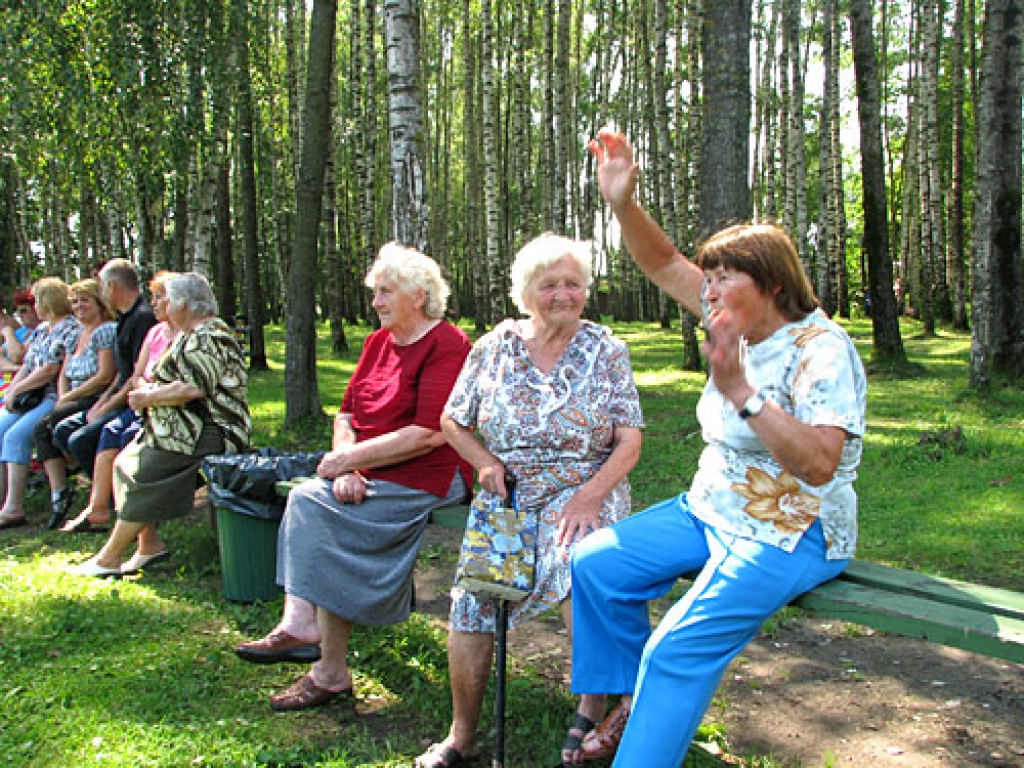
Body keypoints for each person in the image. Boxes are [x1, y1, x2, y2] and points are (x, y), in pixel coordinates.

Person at [564, 129, 868, 768]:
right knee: (597, 564)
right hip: (711, 507)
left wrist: (742, 393)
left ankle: (640, 741)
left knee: (673, 651)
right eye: (712, 275)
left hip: (792, 527)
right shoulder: (732, 317)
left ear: (771, 285)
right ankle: (626, 707)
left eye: (725, 276)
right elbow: (662, 262)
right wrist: (622, 203)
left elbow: (820, 464)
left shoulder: (823, 350)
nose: (708, 288)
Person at [414, 233, 644, 768]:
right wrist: (485, 462)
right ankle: (460, 736)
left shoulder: (607, 350)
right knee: (475, 600)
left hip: (583, 487)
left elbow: (629, 440)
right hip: (509, 493)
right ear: (525, 293)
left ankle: (596, 701)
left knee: (574, 564)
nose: (564, 294)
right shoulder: (494, 347)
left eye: (574, 284)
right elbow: (453, 419)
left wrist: (589, 497)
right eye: (550, 285)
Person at [234, 243, 473, 714]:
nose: (376, 302)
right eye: (376, 292)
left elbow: (429, 434)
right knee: (318, 505)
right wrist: (349, 461)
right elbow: (346, 413)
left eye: (386, 292)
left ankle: (311, 642)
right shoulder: (377, 343)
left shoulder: (448, 343)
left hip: (431, 473)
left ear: (419, 295)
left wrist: (351, 464)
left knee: (313, 504)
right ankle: (325, 662)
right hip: (370, 469)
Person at [68, 272, 250, 576]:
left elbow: (193, 388)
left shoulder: (210, 335)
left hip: (209, 429)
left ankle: (110, 558)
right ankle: (148, 545)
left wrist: (147, 398)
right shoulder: (190, 334)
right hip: (179, 426)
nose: (161, 303)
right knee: (122, 462)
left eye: (166, 297)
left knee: (144, 472)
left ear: (184, 303)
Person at [61, 271, 179, 534]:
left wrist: (136, 397)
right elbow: (132, 375)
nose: (155, 303)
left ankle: (135, 520)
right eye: (154, 296)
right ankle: (100, 506)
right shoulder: (154, 331)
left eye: (160, 297)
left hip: (166, 408)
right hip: (140, 400)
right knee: (105, 431)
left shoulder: (176, 332)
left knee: (120, 438)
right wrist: (120, 398)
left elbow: (186, 384)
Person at [53, 259, 156, 483]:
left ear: (112, 287)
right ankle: (102, 486)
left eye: (100, 287)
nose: (100, 293)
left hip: (134, 402)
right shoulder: (124, 319)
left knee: (80, 440)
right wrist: (101, 404)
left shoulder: (143, 318)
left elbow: (135, 377)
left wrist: (106, 406)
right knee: (62, 430)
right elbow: (120, 373)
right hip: (118, 396)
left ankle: (113, 498)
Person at [34, 278, 117, 529]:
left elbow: (104, 375)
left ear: (99, 303)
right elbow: (64, 373)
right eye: (75, 301)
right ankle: (60, 494)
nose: (79, 306)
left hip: (96, 396)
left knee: (64, 429)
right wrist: (63, 397)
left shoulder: (106, 331)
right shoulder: (76, 335)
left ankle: (103, 495)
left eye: (85, 300)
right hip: (72, 396)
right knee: (42, 430)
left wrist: (68, 399)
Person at [0, 278, 80, 529]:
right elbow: (26, 364)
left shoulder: (69, 328)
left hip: (52, 394)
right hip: (29, 396)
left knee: (16, 436)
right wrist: (12, 391)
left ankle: (14, 507)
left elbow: (49, 369)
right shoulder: (42, 330)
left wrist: (19, 389)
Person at [0, 289, 42, 392]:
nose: (20, 315)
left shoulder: (42, 332)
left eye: (24, 311)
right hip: (7, 382)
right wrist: (16, 368)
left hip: (24, 387)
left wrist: (8, 331)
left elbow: (18, 356)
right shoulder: (22, 331)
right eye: (18, 311)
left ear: (37, 309)